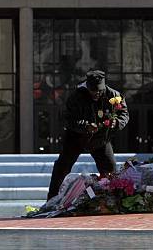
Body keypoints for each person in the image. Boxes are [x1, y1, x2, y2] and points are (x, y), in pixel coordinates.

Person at [47, 70, 129, 201]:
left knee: (110, 168)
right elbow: (67, 118)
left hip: (100, 138)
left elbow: (124, 114)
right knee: (62, 167)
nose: (96, 94)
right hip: (76, 138)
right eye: (93, 91)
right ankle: (52, 199)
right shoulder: (76, 96)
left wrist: (117, 122)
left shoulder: (114, 95)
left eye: (99, 91)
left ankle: (112, 199)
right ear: (87, 87)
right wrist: (85, 126)